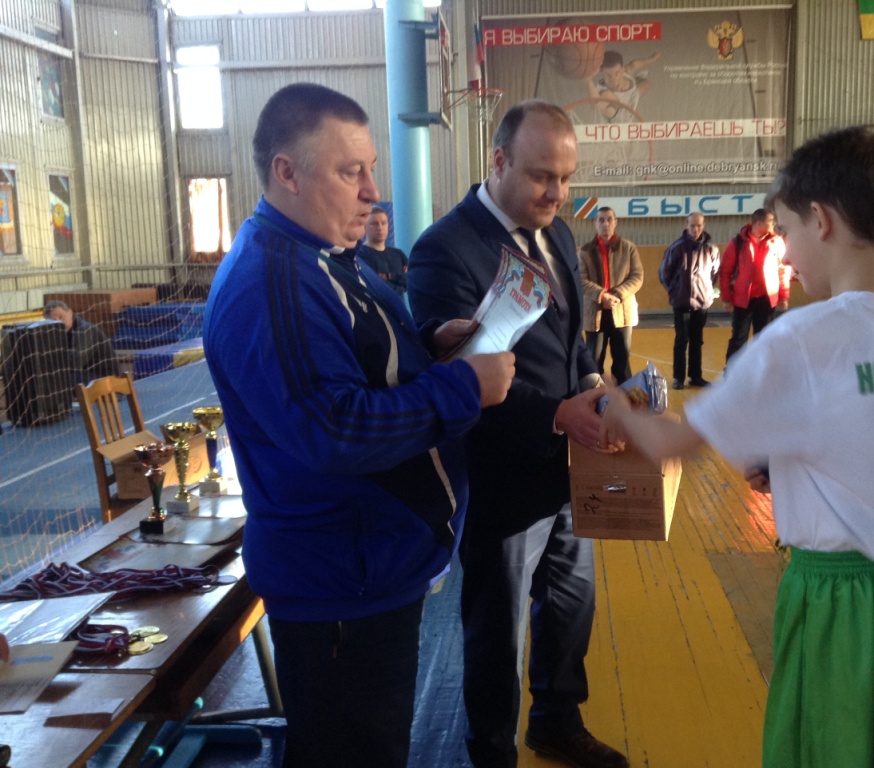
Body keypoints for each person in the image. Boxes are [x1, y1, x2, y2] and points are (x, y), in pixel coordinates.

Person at [202, 83, 515, 768]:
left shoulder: (323, 259)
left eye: (371, 168)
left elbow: (351, 366)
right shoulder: (272, 283)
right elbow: (333, 429)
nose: (373, 192)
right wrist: (463, 386)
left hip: (369, 570)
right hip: (340, 587)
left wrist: (427, 348)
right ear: (287, 172)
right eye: (351, 172)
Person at [600, 124, 874, 768]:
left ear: (822, 220)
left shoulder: (802, 339)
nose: (786, 254)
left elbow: (670, 443)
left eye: (787, 232)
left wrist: (611, 399)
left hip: (844, 605)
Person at [408, 99, 629, 768]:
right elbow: (463, 377)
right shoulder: (446, 250)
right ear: (498, 160)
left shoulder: (556, 234)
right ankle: (492, 749)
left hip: (571, 467)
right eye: (541, 177)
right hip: (501, 476)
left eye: (566, 178)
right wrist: (556, 414)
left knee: (570, 605)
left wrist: (593, 383)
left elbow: (571, 339)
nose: (557, 194)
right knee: (497, 629)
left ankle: (556, 721)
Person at [579, 207, 643, 385]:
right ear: (595, 224)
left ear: (615, 223)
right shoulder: (585, 251)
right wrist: (602, 296)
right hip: (595, 314)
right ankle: (595, 397)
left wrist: (616, 295)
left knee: (622, 362)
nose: (605, 224)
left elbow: (637, 277)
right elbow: (581, 280)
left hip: (622, 313)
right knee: (593, 363)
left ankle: (625, 396)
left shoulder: (629, 248)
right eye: (601, 220)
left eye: (609, 220)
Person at [720, 208, 790, 364]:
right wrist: (726, 298)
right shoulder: (737, 242)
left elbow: (783, 270)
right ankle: (733, 373)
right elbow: (725, 271)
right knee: (739, 339)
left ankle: (761, 372)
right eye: (771, 221)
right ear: (759, 223)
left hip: (766, 299)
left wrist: (784, 296)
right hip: (742, 300)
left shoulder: (777, 242)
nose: (774, 224)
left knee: (764, 339)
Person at [659, 212, 721, 389]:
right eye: (692, 225)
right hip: (681, 303)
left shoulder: (712, 249)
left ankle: (696, 376)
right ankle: (678, 378)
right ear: (686, 225)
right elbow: (664, 273)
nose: (695, 229)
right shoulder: (676, 248)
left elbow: (715, 273)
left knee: (697, 340)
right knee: (681, 340)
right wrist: (675, 290)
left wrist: (706, 291)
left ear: (703, 225)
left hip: (702, 303)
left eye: (699, 225)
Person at [43, 299, 119, 386]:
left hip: (106, 380)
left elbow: (74, 362)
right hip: (86, 375)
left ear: (70, 313)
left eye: (61, 317)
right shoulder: (57, 333)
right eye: (54, 321)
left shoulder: (85, 330)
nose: (59, 323)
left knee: (58, 379)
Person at [585, 50, 661, 122]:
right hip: (618, 122)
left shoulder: (626, 72)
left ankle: (637, 82)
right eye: (608, 75)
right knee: (609, 105)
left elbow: (634, 65)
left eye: (616, 73)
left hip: (632, 97)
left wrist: (652, 59)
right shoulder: (603, 92)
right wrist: (589, 81)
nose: (613, 79)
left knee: (646, 84)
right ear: (601, 73)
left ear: (622, 70)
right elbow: (595, 104)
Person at [357, 205, 408, 297]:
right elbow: (374, 285)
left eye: (383, 223)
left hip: (398, 305)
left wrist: (389, 276)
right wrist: (400, 286)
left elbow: (411, 280)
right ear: (365, 227)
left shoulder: (398, 254)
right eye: (374, 224)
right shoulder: (360, 255)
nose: (380, 227)